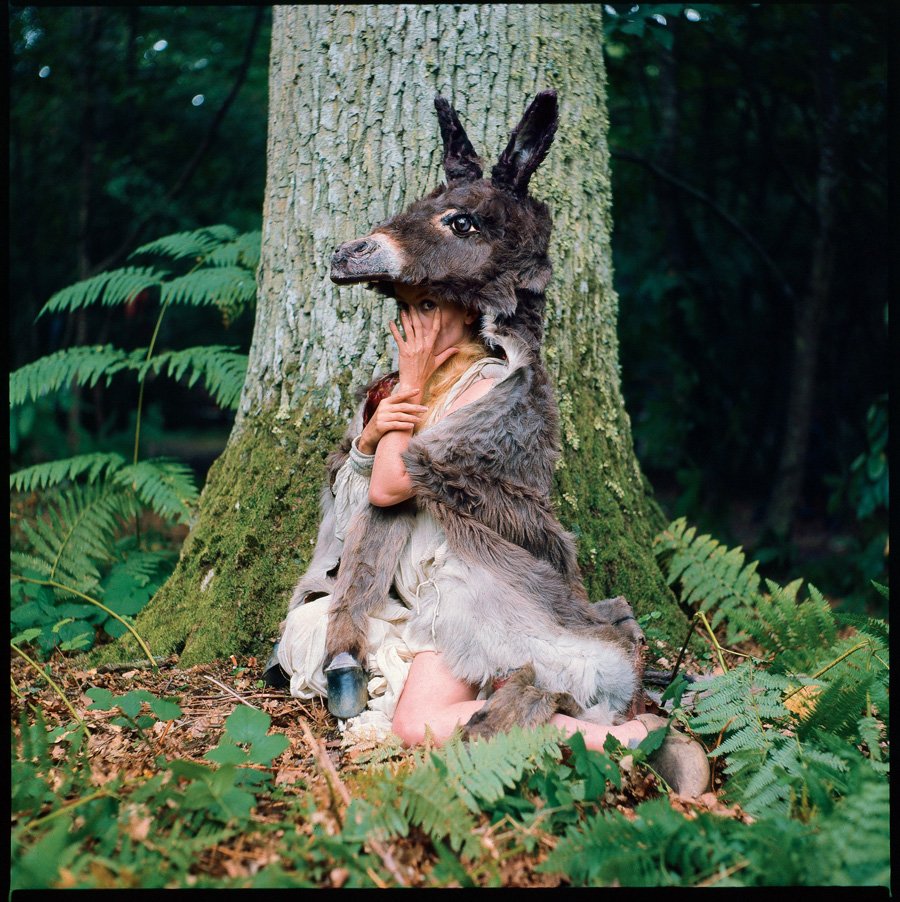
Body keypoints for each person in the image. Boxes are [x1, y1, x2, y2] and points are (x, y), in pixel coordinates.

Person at [274, 286, 709, 795]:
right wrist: (367, 443)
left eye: (428, 305)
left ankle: (628, 739)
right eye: (405, 307)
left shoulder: (494, 391)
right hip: (405, 598)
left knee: (414, 725)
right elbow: (356, 523)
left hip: (466, 593)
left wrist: (406, 392)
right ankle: (495, 697)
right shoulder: (391, 391)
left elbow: (391, 487)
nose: (412, 322)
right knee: (309, 631)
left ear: (468, 308)